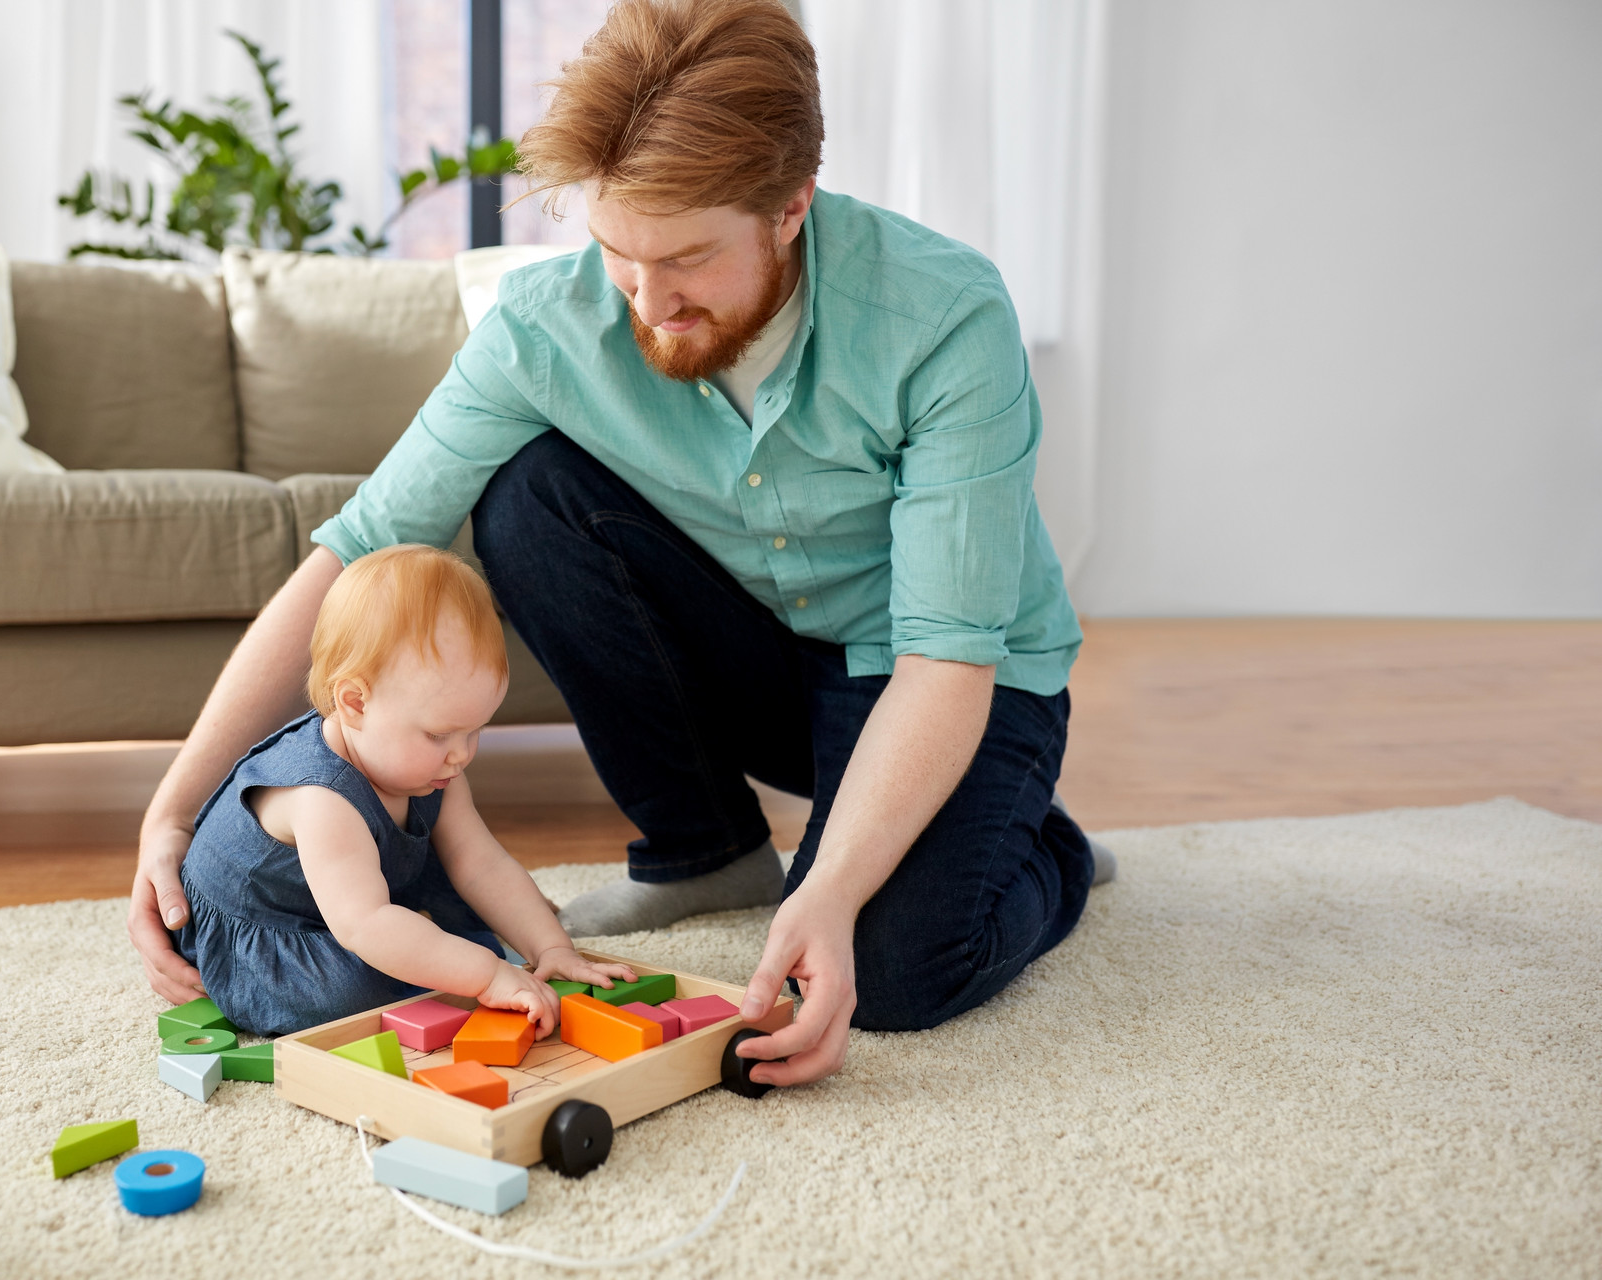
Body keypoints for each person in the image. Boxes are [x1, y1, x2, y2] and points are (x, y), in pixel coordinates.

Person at [130, 0, 1111, 1087]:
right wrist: (174, 807)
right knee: (525, 492)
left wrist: (830, 891)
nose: (648, 303)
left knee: (894, 972)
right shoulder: (545, 330)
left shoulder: (944, 316)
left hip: (945, 678)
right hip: (769, 658)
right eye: (616, 254)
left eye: (688, 259)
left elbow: (943, 660)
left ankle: (1042, 844)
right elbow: (355, 556)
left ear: (791, 208)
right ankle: (706, 850)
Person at [169, 543, 633, 1036]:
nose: (462, 754)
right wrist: (485, 975)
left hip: (354, 885)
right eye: (439, 734)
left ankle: (445, 938)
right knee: (364, 992)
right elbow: (364, 924)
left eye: (475, 730)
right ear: (354, 704)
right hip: (271, 924)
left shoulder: (436, 765)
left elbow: (482, 863)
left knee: (466, 910)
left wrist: (552, 949)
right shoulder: (321, 799)